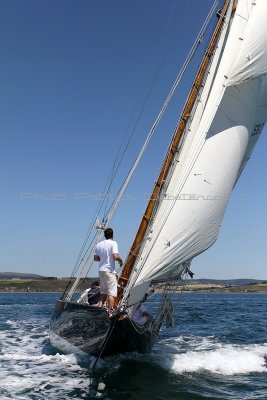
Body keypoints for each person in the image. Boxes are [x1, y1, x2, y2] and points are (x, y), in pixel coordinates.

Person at [94, 227, 123, 313]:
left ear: (105, 235)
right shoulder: (113, 243)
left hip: (101, 271)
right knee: (111, 293)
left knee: (103, 293)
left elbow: (95, 258)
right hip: (109, 271)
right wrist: (120, 260)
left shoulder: (98, 245)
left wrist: (103, 259)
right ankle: (110, 312)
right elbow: (115, 256)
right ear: (112, 235)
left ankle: (99, 309)